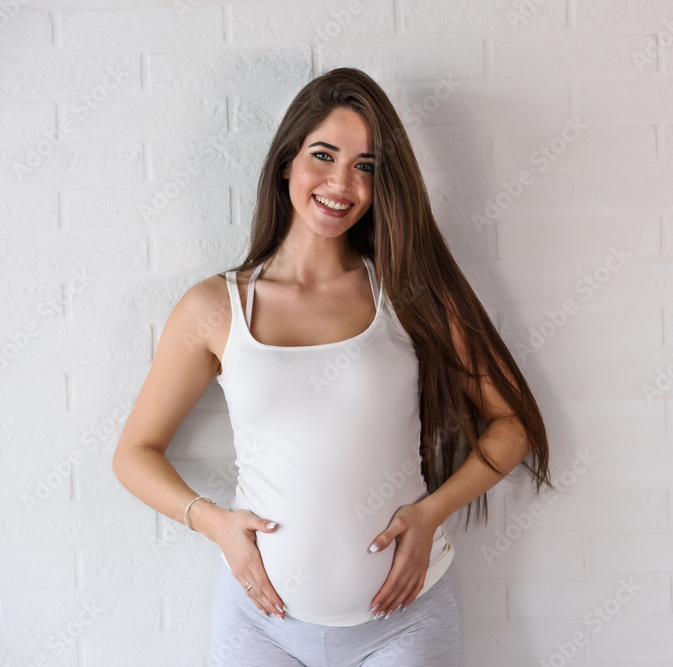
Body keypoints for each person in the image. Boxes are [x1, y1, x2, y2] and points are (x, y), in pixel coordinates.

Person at [112, 67, 552, 666]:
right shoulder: (215, 307)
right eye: (324, 155)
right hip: (260, 626)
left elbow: (513, 422)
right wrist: (212, 522)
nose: (342, 183)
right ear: (287, 162)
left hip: (407, 623)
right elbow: (134, 453)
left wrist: (429, 514)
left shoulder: (410, 291)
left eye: (365, 166)